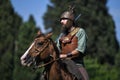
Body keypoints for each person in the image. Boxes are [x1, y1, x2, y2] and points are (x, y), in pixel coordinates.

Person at [56, 6, 89, 80]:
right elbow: (57, 49)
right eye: (61, 20)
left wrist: (65, 55)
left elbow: (80, 50)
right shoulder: (62, 35)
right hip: (62, 63)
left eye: (64, 19)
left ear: (70, 20)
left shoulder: (80, 32)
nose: (61, 22)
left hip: (76, 64)